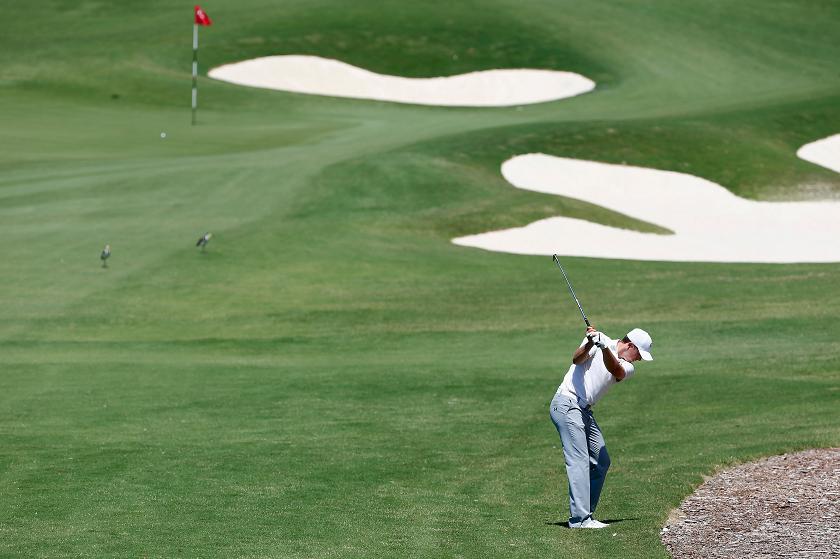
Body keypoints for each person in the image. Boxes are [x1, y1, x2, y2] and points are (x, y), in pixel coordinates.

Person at [549, 326, 653, 528]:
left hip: (584, 411)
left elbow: (615, 369)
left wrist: (604, 347)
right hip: (567, 404)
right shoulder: (598, 340)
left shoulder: (627, 367)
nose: (638, 359)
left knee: (601, 460)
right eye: (639, 354)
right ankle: (580, 519)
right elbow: (577, 359)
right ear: (630, 345)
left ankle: (586, 513)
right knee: (578, 460)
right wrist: (589, 342)